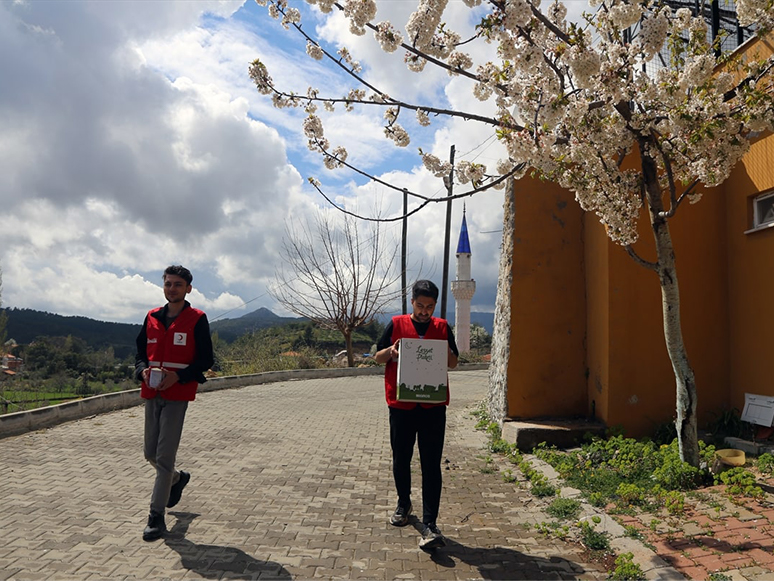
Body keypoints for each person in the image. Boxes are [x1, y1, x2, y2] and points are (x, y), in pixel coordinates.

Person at [374, 280, 459, 551]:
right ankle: (404, 503)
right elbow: (377, 356)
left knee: (431, 463)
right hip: (401, 405)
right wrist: (392, 351)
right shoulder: (396, 324)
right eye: (420, 306)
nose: (425, 311)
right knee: (401, 457)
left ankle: (431, 522)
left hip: (432, 407)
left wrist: (443, 347)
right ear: (412, 302)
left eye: (430, 307)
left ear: (435, 305)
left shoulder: (443, 327)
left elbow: (454, 362)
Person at [134, 265, 214, 541]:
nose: (172, 288)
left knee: (164, 457)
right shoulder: (152, 317)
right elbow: (140, 353)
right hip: (151, 392)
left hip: (177, 396)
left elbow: (205, 360)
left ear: (188, 288)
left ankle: (156, 517)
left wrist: (178, 376)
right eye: (168, 283)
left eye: (178, 284)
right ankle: (178, 479)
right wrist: (142, 370)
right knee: (150, 454)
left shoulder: (197, 319)